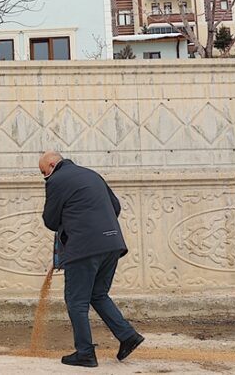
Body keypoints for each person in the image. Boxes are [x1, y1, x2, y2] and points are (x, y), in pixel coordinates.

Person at [40, 150, 144, 367]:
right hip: (112, 244)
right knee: (98, 294)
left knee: (76, 301)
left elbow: (50, 220)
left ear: (52, 164)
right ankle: (128, 336)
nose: (44, 177)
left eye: (43, 172)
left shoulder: (57, 180)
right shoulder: (91, 174)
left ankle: (85, 353)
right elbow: (115, 206)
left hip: (84, 247)